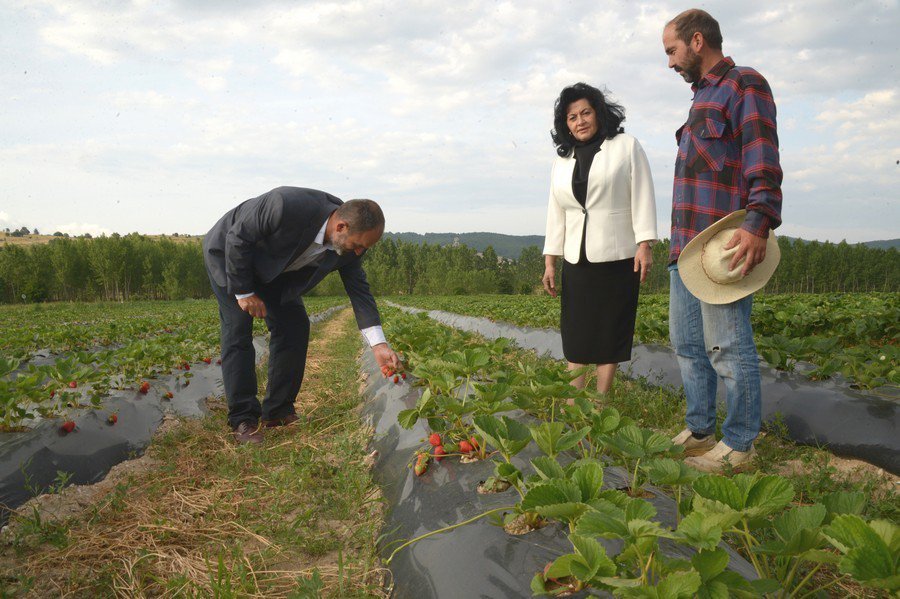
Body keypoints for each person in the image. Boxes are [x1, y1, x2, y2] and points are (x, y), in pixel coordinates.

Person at [662, 9, 783, 472]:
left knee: (728, 345)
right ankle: (700, 430)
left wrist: (758, 221)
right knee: (687, 345)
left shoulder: (743, 84)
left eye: (671, 51)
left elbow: (762, 156)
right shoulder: (700, 100)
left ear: (697, 41)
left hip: (722, 245)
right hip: (686, 246)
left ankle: (740, 445)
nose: (669, 63)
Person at [203, 186, 401, 444]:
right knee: (238, 329)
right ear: (340, 227)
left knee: (294, 325)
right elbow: (238, 237)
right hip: (230, 257)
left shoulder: (348, 249)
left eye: (365, 248)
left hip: (274, 273)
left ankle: (277, 411)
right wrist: (243, 291)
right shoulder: (285, 205)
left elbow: (359, 292)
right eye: (359, 245)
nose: (360, 252)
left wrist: (378, 344)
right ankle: (243, 419)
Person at [542, 83, 658, 394]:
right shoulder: (562, 160)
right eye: (571, 117)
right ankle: (573, 402)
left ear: (599, 113)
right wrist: (550, 261)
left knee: (610, 333)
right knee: (576, 334)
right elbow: (557, 211)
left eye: (585, 113)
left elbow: (643, 194)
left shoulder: (625, 146)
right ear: (564, 124)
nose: (579, 121)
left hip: (618, 256)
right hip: (577, 258)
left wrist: (644, 244)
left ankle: (600, 403)